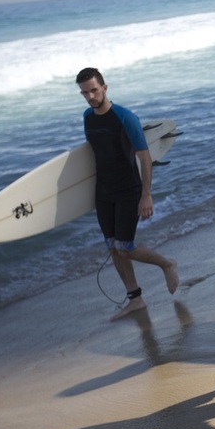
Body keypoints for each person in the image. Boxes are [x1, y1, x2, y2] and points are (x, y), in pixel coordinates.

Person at [76, 67, 179, 321]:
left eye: (94, 90)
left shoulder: (125, 117)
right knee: (113, 248)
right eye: (85, 92)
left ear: (105, 88)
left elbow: (144, 158)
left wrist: (146, 194)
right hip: (104, 192)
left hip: (128, 190)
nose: (90, 96)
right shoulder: (88, 118)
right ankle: (136, 299)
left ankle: (167, 264)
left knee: (125, 247)